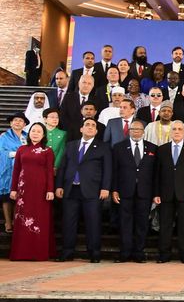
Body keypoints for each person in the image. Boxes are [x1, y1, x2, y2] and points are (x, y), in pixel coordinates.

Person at [56, 118, 111, 262]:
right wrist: (59, 185)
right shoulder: (71, 145)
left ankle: (94, 253)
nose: (90, 127)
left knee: (93, 223)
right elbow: (62, 167)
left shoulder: (103, 147)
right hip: (70, 189)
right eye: (87, 125)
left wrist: (105, 187)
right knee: (69, 222)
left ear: (97, 131)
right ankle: (67, 252)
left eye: (93, 126)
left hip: (92, 190)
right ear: (81, 129)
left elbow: (108, 169)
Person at [154, 121, 184, 264]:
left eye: (180, 129)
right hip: (165, 193)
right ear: (170, 131)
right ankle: (164, 253)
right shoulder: (162, 149)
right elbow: (157, 174)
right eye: (174, 129)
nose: (177, 131)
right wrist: (156, 193)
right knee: (165, 224)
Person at [111, 119, 157, 263]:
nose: (136, 132)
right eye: (133, 129)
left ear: (143, 132)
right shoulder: (119, 147)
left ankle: (139, 252)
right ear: (129, 131)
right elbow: (115, 171)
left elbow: (156, 174)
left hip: (145, 192)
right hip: (125, 191)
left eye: (139, 130)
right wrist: (114, 190)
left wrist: (155, 193)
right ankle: (125, 252)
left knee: (142, 223)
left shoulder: (152, 148)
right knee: (125, 222)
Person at [8, 122, 56, 260]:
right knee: (22, 219)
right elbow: (16, 170)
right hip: (23, 190)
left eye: (39, 131)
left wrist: (50, 190)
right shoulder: (21, 149)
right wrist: (13, 189)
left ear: (43, 135)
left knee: (40, 219)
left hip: (41, 190)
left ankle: (38, 252)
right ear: (29, 133)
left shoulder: (47, 151)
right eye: (33, 131)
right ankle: (21, 252)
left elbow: (49, 172)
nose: (35, 133)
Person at [1, 112, 28, 233]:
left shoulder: (27, 136)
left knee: (20, 197)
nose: (17, 122)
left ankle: (17, 220)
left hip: (24, 170)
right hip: (7, 169)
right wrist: (16, 154)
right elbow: (2, 152)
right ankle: (7, 221)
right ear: (11, 123)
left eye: (20, 121)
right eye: (15, 120)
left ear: (24, 124)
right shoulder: (4, 137)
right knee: (7, 197)